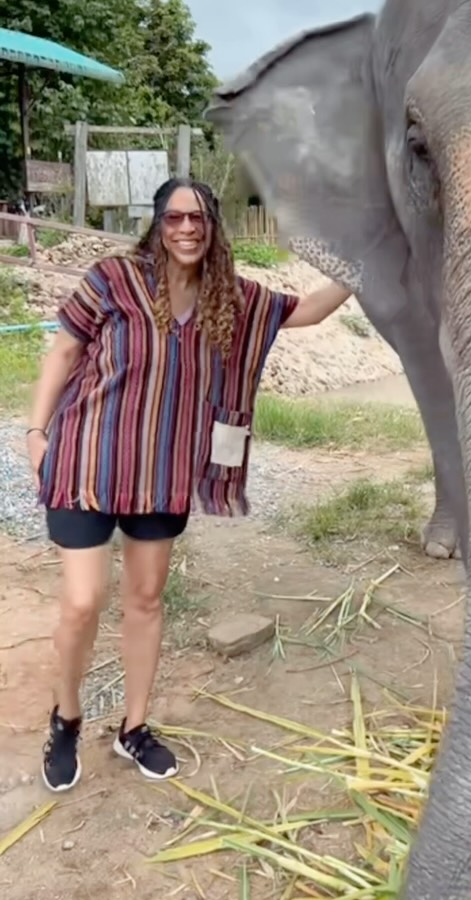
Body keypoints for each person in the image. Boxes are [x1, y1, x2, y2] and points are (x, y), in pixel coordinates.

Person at [26, 177, 352, 792]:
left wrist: (364, 264)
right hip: (85, 461)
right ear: (157, 224)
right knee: (82, 601)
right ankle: (66, 718)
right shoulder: (113, 280)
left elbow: (304, 311)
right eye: (175, 218)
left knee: (146, 601)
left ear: (213, 229)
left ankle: (135, 727)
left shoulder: (227, 297)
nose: (186, 229)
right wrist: (35, 432)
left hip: (162, 473)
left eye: (199, 219)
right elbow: (64, 351)